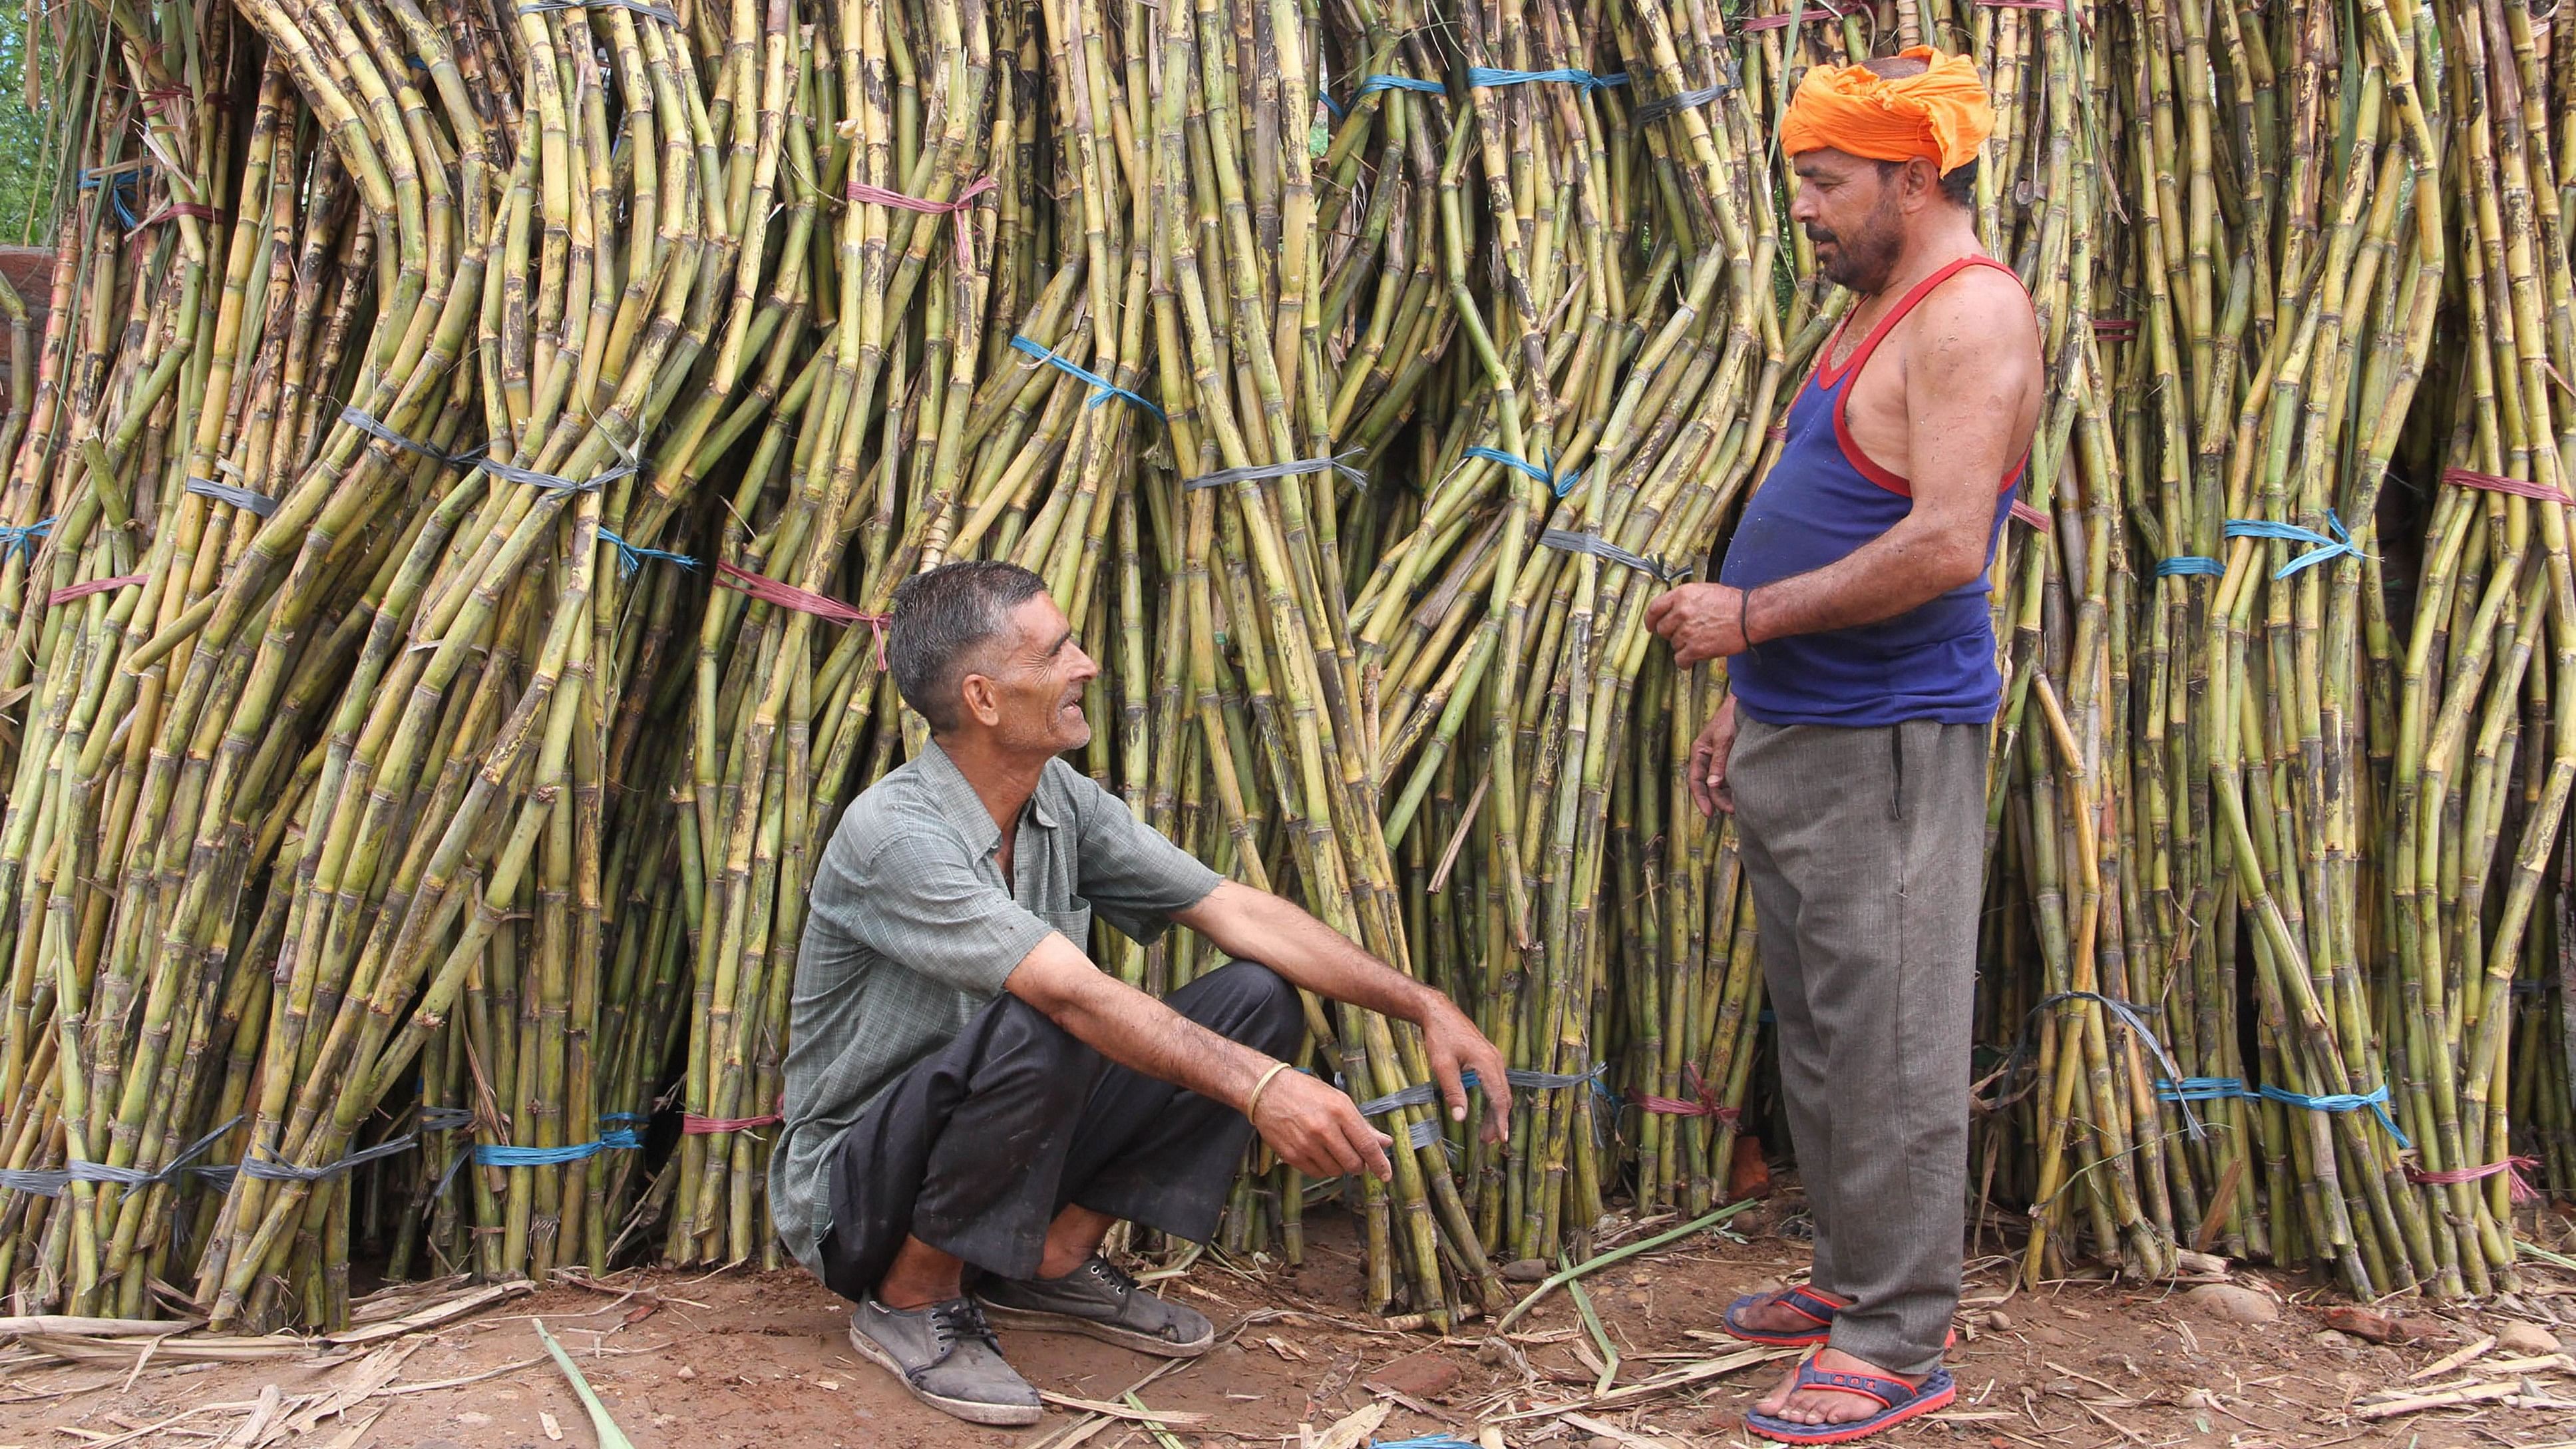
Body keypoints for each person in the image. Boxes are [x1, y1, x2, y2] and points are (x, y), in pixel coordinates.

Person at [771, 559, 1515, 1427]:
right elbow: (1070, 998)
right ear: (981, 698)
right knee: (1050, 1017)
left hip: (1000, 1150)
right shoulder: (896, 834)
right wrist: (1262, 1088)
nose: (1085, 662)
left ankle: (1049, 1259)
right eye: (1055, 652)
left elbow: (1234, 910)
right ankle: (912, 1300)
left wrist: (1425, 1003)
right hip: (859, 1193)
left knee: (1257, 996)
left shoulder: (1057, 801)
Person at [1644, 47, 2040, 1447]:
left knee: (1893, 1042)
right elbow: (1825, 503)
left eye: (1823, 183)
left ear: (1911, 177)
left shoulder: (1968, 316)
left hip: (1887, 736)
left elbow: (1941, 544)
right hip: (1802, 721)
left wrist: (1745, 613)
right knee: (1819, 1033)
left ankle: (1897, 1339)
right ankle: (1846, 1280)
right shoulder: (1877, 306)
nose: (1803, 209)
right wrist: (1746, 687)